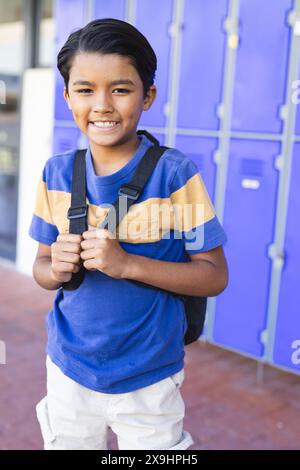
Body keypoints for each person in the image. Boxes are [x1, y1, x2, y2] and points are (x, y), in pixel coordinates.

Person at [29, 18, 228, 450]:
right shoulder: (56, 173)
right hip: (69, 368)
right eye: (85, 90)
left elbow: (214, 276)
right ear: (67, 97)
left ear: (148, 95)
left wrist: (127, 264)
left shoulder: (175, 173)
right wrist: (56, 268)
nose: (102, 104)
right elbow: (41, 269)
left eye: (120, 89)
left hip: (148, 376)